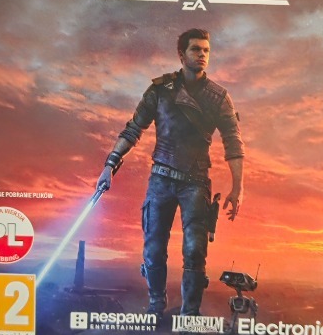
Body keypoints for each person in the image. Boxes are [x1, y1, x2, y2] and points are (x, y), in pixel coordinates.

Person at [97, 28, 244, 317]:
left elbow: (234, 142)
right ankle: (156, 305)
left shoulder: (218, 97)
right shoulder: (160, 90)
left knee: (194, 252)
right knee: (153, 249)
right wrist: (109, 166)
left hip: (195, 182)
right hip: (161, 178)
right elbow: (133, 129)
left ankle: (190, 316)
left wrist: (238, 188)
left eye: (206, 50)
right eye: (195, 49)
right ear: (181, 54)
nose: (202, 55)